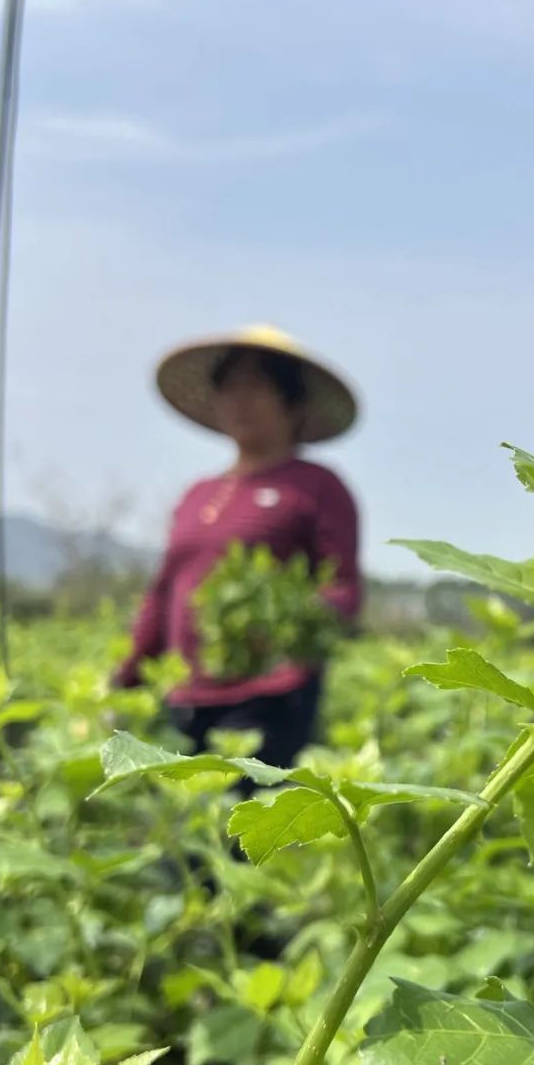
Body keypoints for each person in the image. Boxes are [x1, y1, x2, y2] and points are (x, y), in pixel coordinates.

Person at [113, 324, 361, 772]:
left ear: (292, 402)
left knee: (240, 828)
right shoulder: (198, 494)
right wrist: (127, 674)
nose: (238, 400)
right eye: (228, 388)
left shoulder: (316, 487)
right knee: (183, 825)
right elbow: (165, 590)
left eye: (255, 387)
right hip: (183, 693)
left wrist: (291, 627)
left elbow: (342, 588)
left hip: (270, 695)